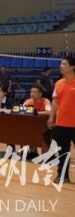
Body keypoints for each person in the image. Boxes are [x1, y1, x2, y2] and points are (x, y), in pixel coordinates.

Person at [48, 56, 75, 184]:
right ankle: (63, 176)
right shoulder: (58, 83)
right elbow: (55, 101)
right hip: (61, 123)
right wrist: (51, 117)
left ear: (72, 67)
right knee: (63, 151)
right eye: (61, 64)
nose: (61, 66)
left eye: (64, 64)